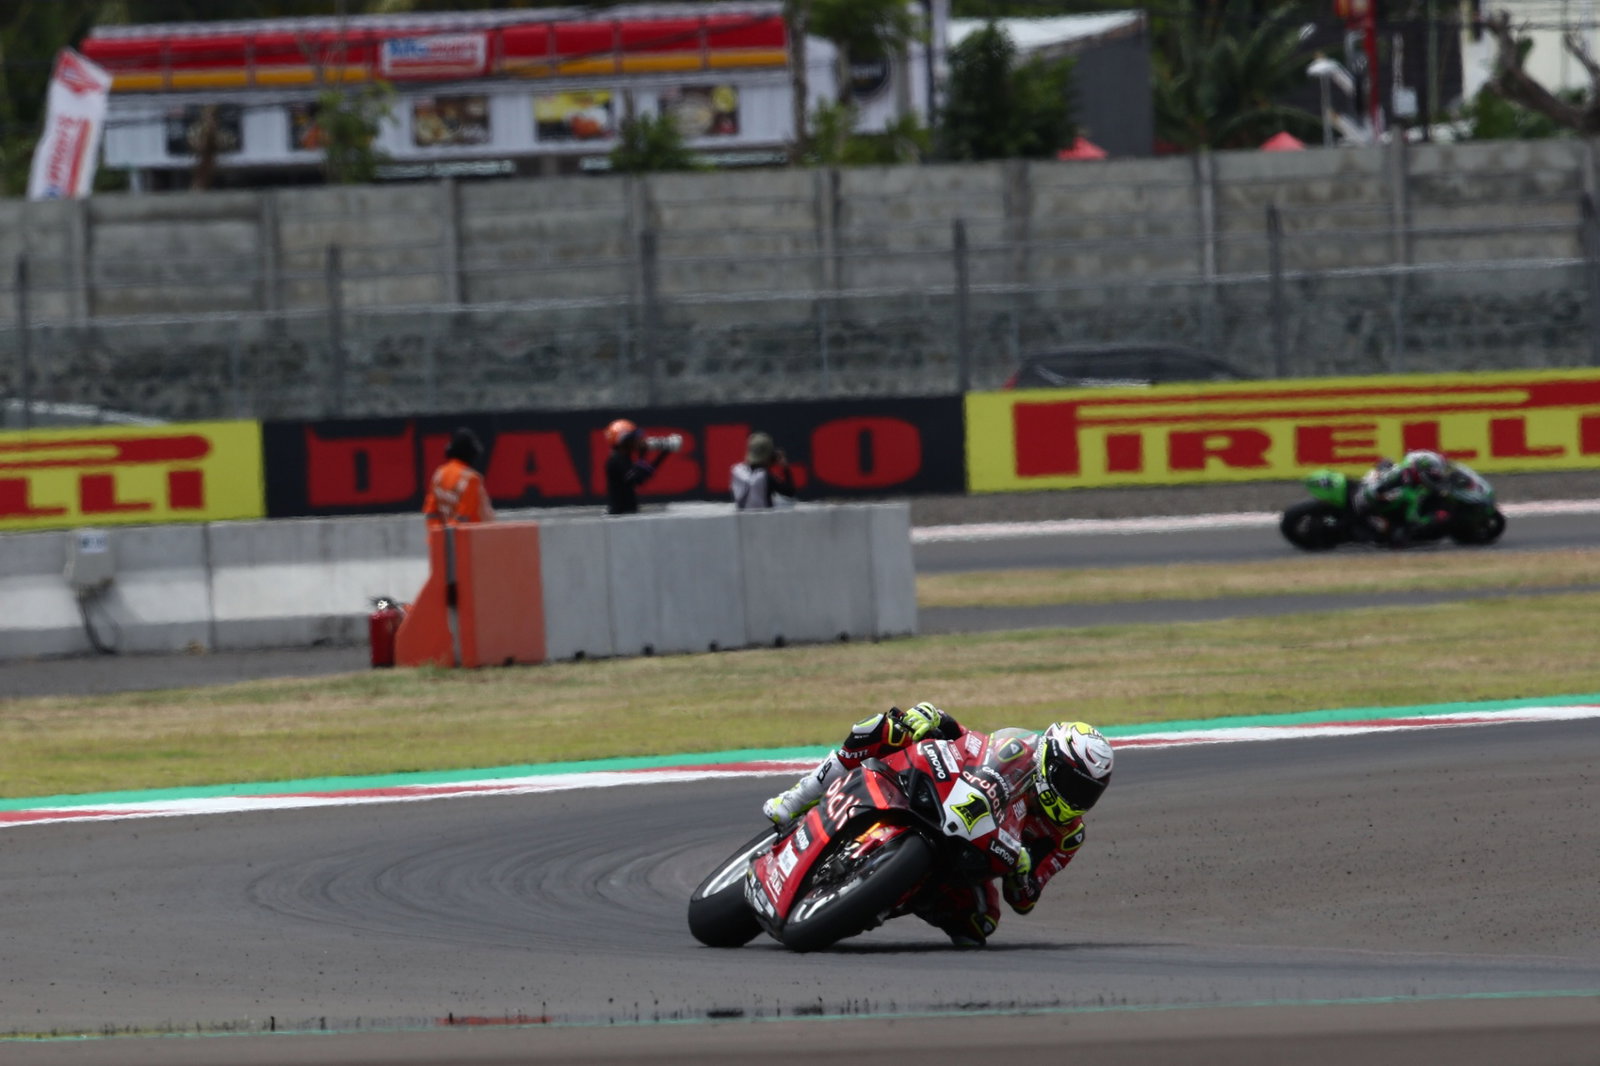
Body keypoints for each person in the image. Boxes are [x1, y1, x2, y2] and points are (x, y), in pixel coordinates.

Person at [762, 702, 1114, 947]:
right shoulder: (1020, 749)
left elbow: (1025, 900)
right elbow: (971, 741)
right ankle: (796, 798)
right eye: (1073, 785)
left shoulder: (1068, 836)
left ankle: (883, 899)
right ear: (1049, 765)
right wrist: (934, 717)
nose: (1078, 799)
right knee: (883, 728)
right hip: (944, 798)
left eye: (1088, 792)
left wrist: (1022, 873)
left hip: (975, 857)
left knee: (980, 924)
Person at [1352, 449, 1454, 545]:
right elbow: (1414, 520)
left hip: (1374, 493)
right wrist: (1434, 518)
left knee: (1387, 463)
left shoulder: (1409, 472)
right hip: (1370, 508)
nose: (1435, 479)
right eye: (1433, 476)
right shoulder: (1405, 489)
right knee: (1399, 537)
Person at [603, 419, 679, 515]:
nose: (636, 442)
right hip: (619, 514)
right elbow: (637, 478)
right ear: (624, 441)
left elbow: (641, 475)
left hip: (627, 512)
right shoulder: (616, 460)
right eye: (633, 439)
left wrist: (663, 453)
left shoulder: (624, 458)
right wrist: (643, 456)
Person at [423, 427, 494, 528]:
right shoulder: (471, 479)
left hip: (440, 539)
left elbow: (430, 512)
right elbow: (463, 518)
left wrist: (439, 536)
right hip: (469, 539)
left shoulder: (439, 474)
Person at [731, 432, 796, 510]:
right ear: (769, 455)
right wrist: (785, 468)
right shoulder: (766, 476)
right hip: (763, 520)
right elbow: (790, 492)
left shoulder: (736, 471)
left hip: (742, 518)